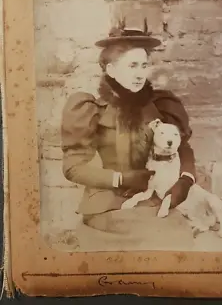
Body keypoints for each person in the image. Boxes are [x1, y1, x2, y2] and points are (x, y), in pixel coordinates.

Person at [61, 18, 197, 251]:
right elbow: (72, 168)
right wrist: (120, 179)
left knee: (177, 233)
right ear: (111, 70)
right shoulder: (91, 109)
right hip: (108, 202)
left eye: (144, 66)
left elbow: (182, 146)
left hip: (151, 196)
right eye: (132, 66)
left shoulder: (160, 105)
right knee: (152, 239)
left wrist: (185, 180)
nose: (140, 74)